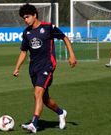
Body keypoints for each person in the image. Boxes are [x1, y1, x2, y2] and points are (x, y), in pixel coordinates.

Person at [13, 4, 77, 133]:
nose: (25, 20)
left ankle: (34, 123)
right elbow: (23, 51)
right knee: (44, 98)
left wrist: (72, 55)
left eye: (27, 17)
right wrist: (17, 67)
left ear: (35, 15)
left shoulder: (48, 27)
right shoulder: (27, 32)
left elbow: (64, 38)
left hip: (47, 65)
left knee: (37, 93)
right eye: (23, 18)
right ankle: (61, 112)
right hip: (33, 68)